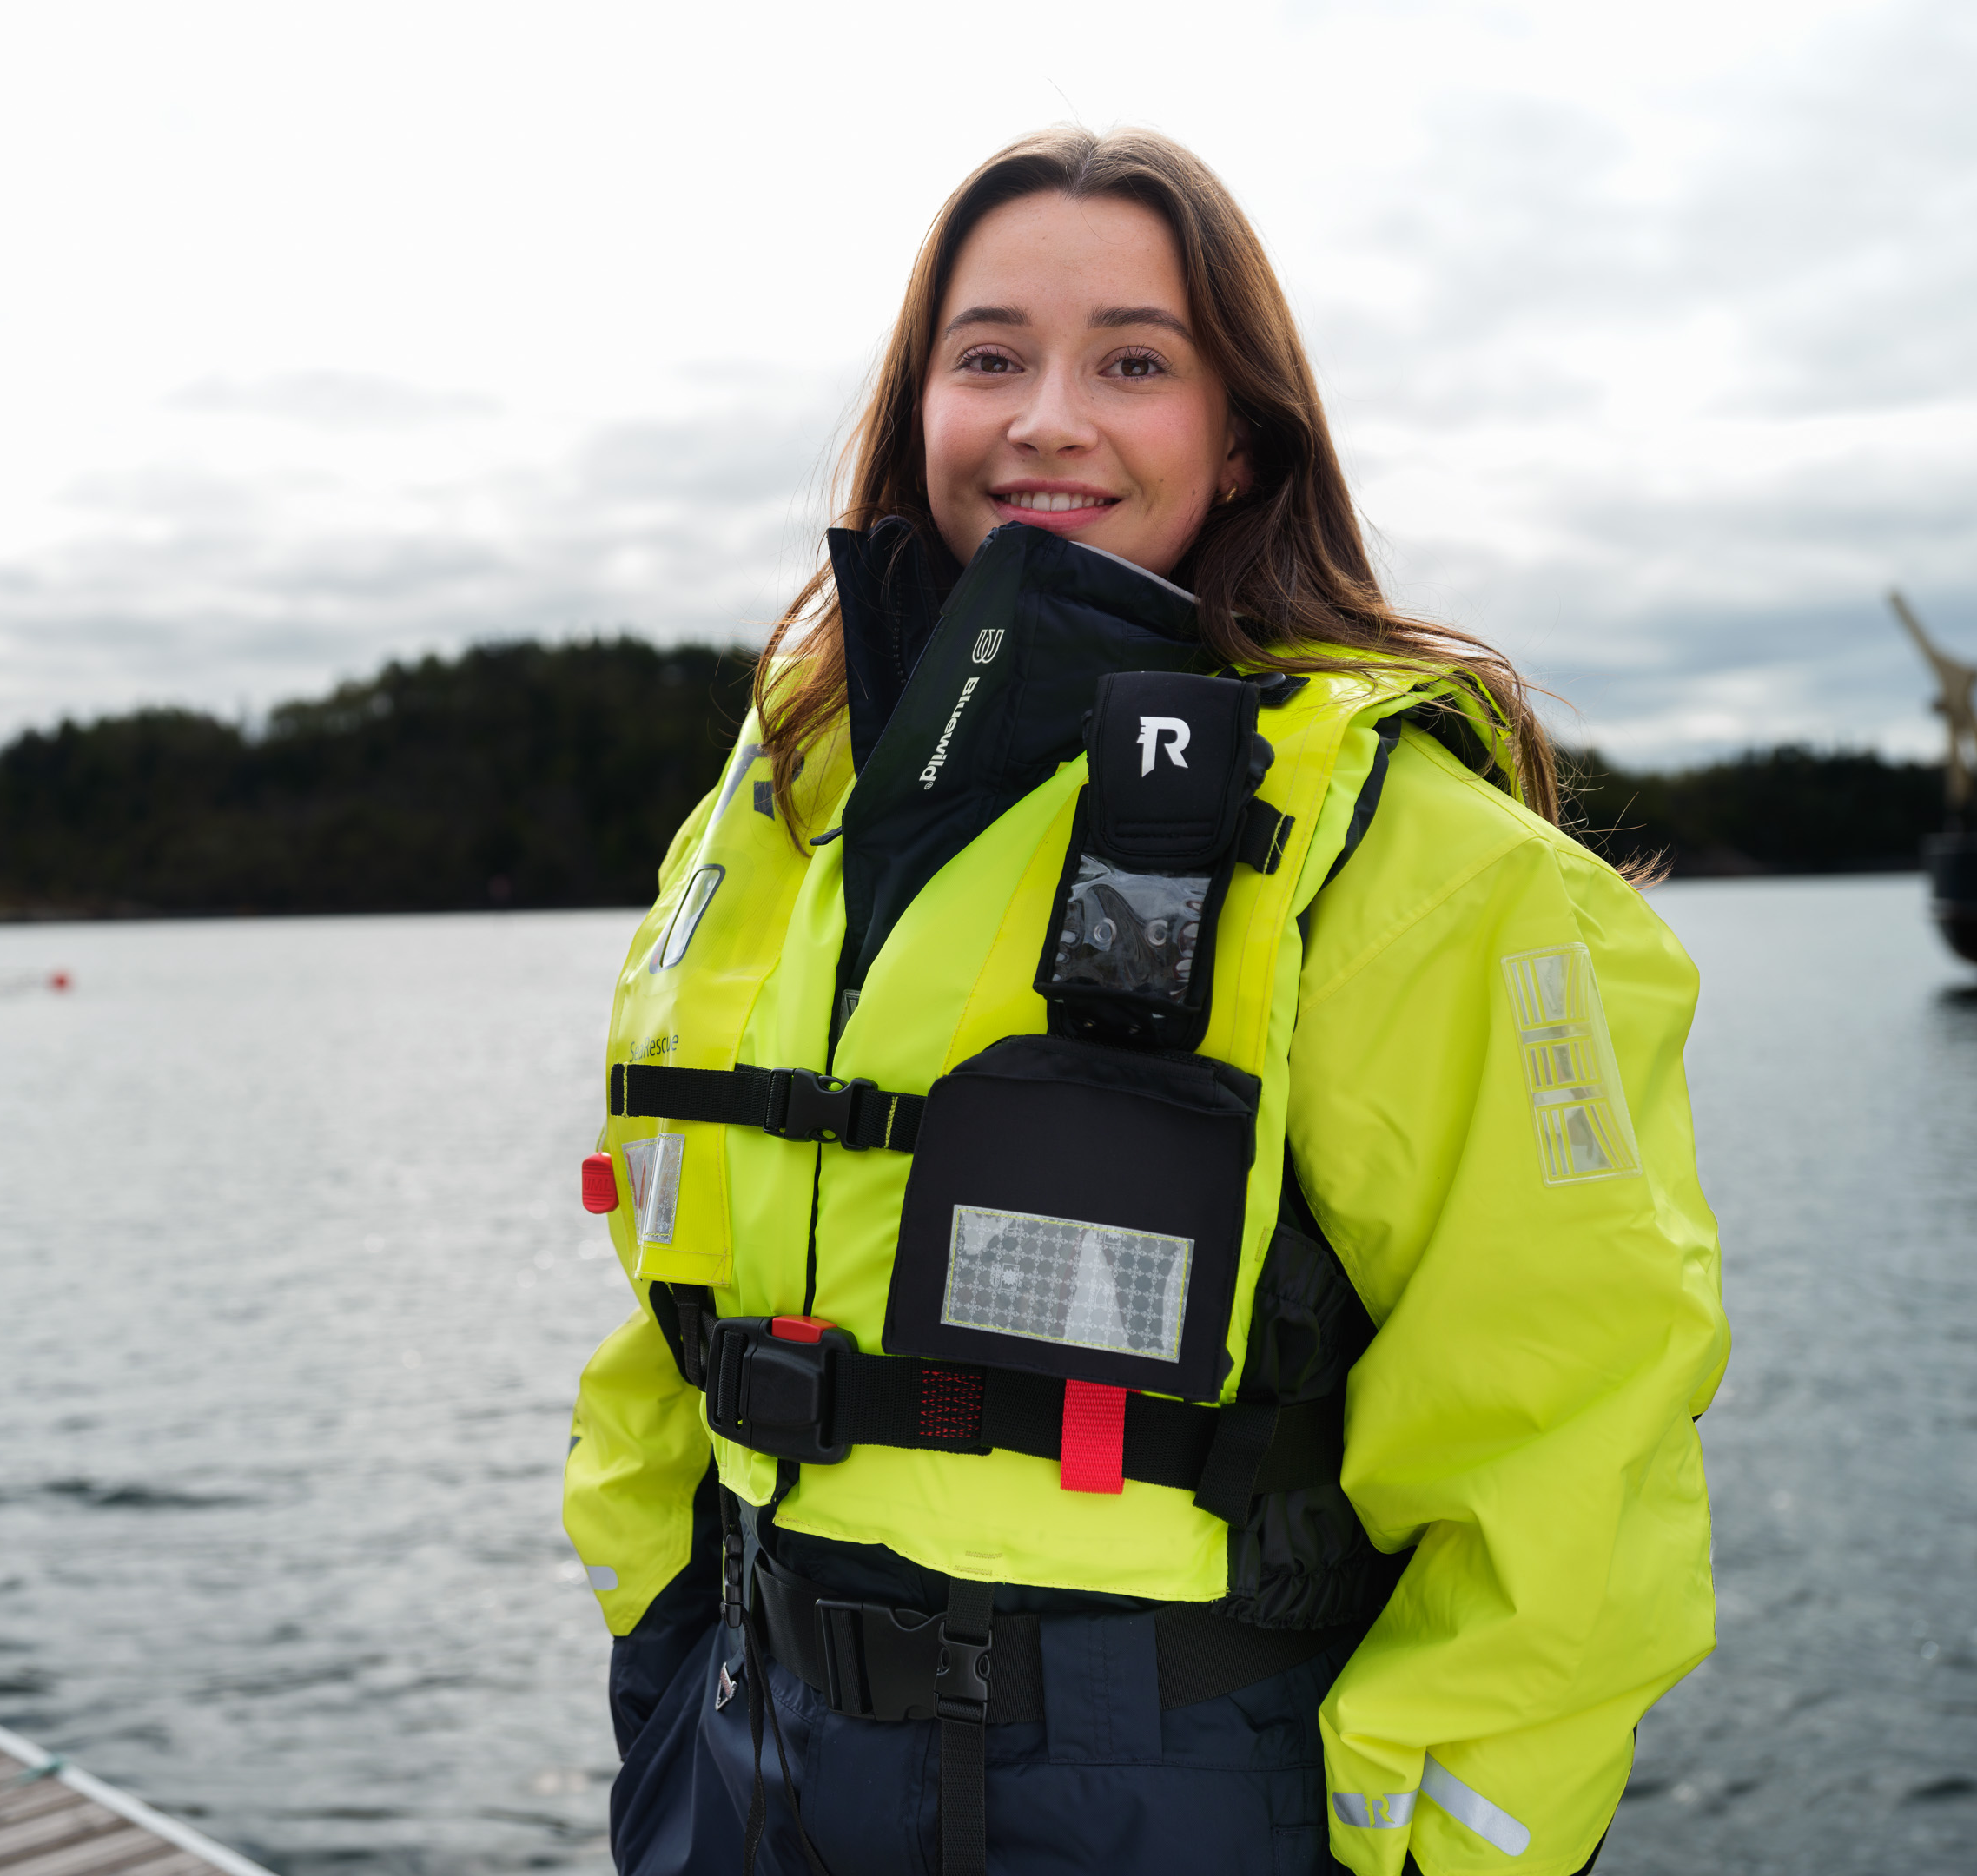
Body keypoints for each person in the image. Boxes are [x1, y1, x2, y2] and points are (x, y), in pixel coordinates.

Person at [563, 126, 1726, 1876]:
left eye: (1131, 360)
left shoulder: (1416, 857)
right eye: (987, 357)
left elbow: (1571, 1430)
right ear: (915, 408)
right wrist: (663, 1659)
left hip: (1161, 1777)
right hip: (745, 1743)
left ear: (1239, 428)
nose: (1046, 415)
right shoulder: (784, 804)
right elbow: (665, 1310)